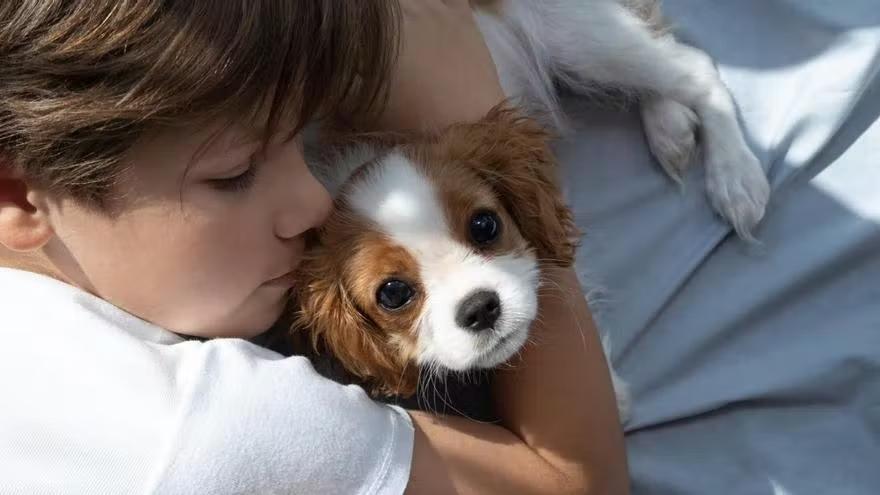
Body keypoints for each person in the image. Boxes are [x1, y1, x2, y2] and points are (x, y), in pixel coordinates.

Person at [0, 1, 627, 493]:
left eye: (303, 143)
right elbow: (580, 484)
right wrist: (476, 127)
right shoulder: (199, 425)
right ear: (21, 198)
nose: (317, 204)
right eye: (235, 174)